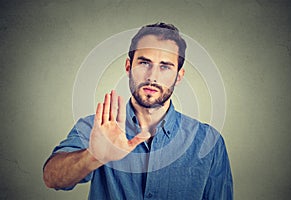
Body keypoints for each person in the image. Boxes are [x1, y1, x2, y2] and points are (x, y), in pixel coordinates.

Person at [43, 22, 233, 199]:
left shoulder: (209, 142)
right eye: (144, 63)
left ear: (179, 76)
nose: (152, 76)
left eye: (165, 67)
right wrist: (93, 156)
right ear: (128, 66)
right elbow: (52, 178)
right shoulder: (97, 128)